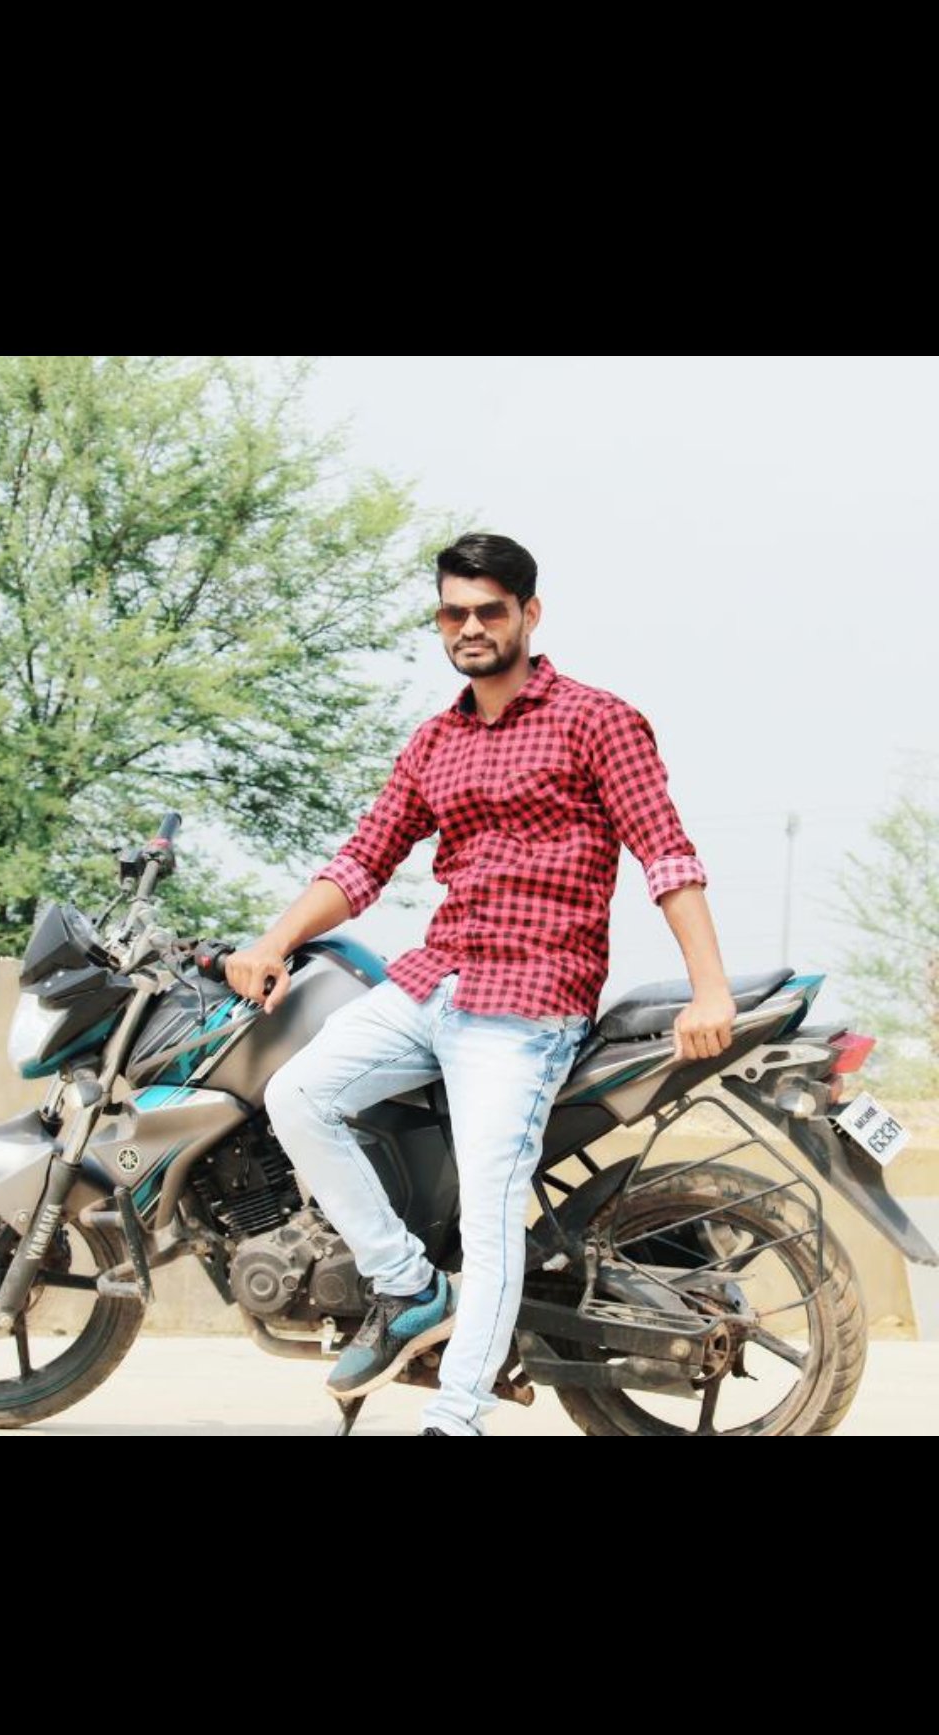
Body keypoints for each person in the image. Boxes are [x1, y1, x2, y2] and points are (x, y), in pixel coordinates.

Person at [224, 532, 736, 1436]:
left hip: (531, 998)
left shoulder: (597, 720)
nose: (470, 627)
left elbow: (666, 854)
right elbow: (364, 860)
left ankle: (456, 1417)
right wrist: (274, 940)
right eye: (453, 613)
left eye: (489, 611)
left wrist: (711, 989)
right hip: (433, 980)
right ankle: (408, 1286)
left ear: (528, 615)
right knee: (296, 1096)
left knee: (492, 1213)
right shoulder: (436, 740)